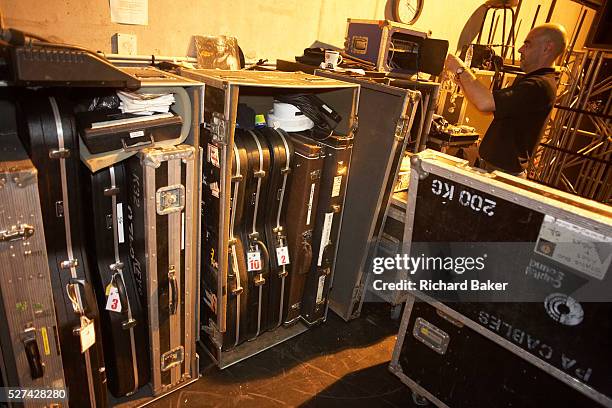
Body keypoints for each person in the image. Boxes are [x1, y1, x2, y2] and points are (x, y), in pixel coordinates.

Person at [444, 23, 567, 177]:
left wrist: (460, 68)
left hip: (504, 173)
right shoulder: (532, 80)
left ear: (547, 48)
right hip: (495, 168)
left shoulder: (538, 84)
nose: (520, 49)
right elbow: (488, 109)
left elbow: (485, 103)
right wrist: (461, 81)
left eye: (527, 45)